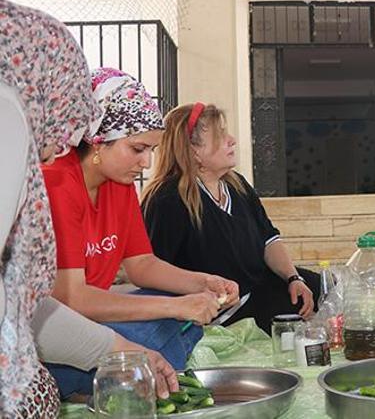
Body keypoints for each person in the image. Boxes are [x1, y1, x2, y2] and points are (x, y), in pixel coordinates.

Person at [0, 0, 177, 418]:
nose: (69, 134)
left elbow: (22, 307)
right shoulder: (46, 176)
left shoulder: (32, 172)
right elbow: (63, 300)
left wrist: (122, 351)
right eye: (137, 149)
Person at [42, 68, 239, 398]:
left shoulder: (119, 185)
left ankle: (130, 372)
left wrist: (203, 283)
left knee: (177, 316)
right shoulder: (58, 183)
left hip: (96, 319)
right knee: (168, 321)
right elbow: (72, 299)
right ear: (97, 140)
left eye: (151, 150)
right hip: (61, 329)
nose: (146, 163)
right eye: (137, 149)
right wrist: (176, 308)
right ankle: (120, 375)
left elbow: (142, 264)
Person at [141, 103, 320, 334]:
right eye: (220, 135)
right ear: (194, 150)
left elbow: (268, 239)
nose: (232, 140)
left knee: (322, 288)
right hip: (222, 311)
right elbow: (153, 269)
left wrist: (293, 278)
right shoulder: (168, 199)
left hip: (258, 289)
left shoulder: (237, 185)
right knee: (296, 318)